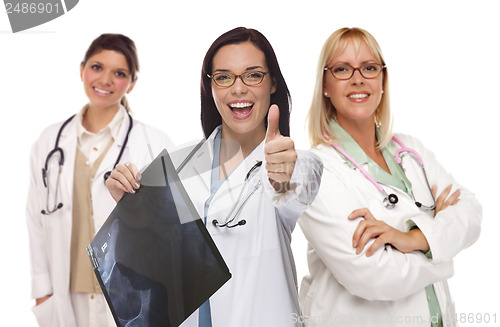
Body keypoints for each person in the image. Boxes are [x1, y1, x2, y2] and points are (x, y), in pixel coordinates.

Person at [106, 27, 323, 327]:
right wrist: (131, 210)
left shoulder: (291, 162)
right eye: (223, 77)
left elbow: (302, 182)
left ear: (273, 82)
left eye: (253, 75)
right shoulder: (179, 163)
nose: (238, 89)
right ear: (211, 87)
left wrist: (285, 175)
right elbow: (156, 272)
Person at [298, 27, 482, 327]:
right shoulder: (313, 171)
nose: (358, 78)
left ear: (382, 80)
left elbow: (471, 213)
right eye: (343, 69)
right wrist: (441, 246)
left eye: (369, 68)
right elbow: (373, 275)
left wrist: (412, 239)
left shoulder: (410, 150)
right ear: (325, 85)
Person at [26, 33, 173, 327]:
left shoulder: (152, 142)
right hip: (67, 296)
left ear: (131, 83)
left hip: (129, 296)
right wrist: (42, 292)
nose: (105, 80)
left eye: (119, 73)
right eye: (97, 67)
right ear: (82, 70)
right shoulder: (49, 142)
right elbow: (35, 220)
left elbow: (171, 228)